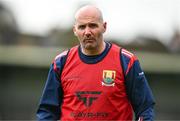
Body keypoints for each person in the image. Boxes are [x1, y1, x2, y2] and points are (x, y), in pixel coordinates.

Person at [36, 5, 155, 121]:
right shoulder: (60, 63)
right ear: (75, 30)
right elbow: (47, 111)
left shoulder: (126, 61)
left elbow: (145, 108)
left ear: (104, 27)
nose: (87, 32)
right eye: (82, 27)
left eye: (92, 26)